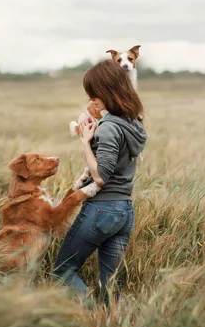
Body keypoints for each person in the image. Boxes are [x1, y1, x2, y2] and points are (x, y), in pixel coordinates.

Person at [52, 59, 147, 305]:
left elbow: (101, 177)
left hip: (102, 209)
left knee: (62, 270)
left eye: (94, 93)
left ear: (107, 91)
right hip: (124, 212)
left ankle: (90, 316)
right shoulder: (133, 124)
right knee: (111, 282)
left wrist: (86, 141)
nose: (91, 99)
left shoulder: (109, 128)